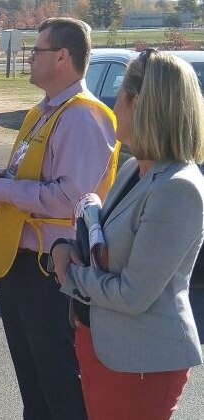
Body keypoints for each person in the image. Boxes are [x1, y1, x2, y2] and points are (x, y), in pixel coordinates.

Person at [0, 18, 119, 420]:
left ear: (62, 57)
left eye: (38, 50)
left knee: (59, 388)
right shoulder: (46, 112)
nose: (30, 58)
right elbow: (35, 176)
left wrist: (3, 190)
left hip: (51, 273)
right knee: (34, 386)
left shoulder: (83, 118)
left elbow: (71, 199)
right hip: (21, 267)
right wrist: (4, 177)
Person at [52, 49, 204, 420]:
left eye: (118, 96)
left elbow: (134, 294)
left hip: (140, 363)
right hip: (106, 348)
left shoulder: (177, 188)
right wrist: (68, 247)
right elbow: (108, 242)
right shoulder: (137, 167)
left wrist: (71, 275)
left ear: (139, 104)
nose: (112, 105)